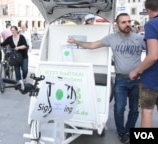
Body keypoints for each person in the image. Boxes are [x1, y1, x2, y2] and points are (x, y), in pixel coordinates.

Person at [67, 13, 146, 144]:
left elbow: (153, 51)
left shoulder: (139, 38)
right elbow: (93, 45)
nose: (128, 24)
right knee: (119, 108)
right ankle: (121, 132)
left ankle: (128, 130)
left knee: (135, 109)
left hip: (137, 81)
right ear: (117, 24)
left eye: (129, 21)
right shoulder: (112, 38)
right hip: (120, 80)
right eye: (124, 22)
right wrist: (76, 41)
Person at [129, 0, 158, 128]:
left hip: (152, 79)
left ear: (148, 10)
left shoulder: (152, 24)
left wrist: (136, 71)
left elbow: (153, 56)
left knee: (147, 112)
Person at [0, 26, 28, 90]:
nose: (12, 31)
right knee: (17, 69)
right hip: (15, 57)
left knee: (25, 69)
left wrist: (18, 47)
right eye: (11, 30)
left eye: (14, 30)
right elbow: (3, 44)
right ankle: (20, 82)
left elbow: (25, 45)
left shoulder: (21, 37)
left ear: (16, 30)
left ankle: (24, 78)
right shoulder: (9, 38)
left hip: (23, 56)